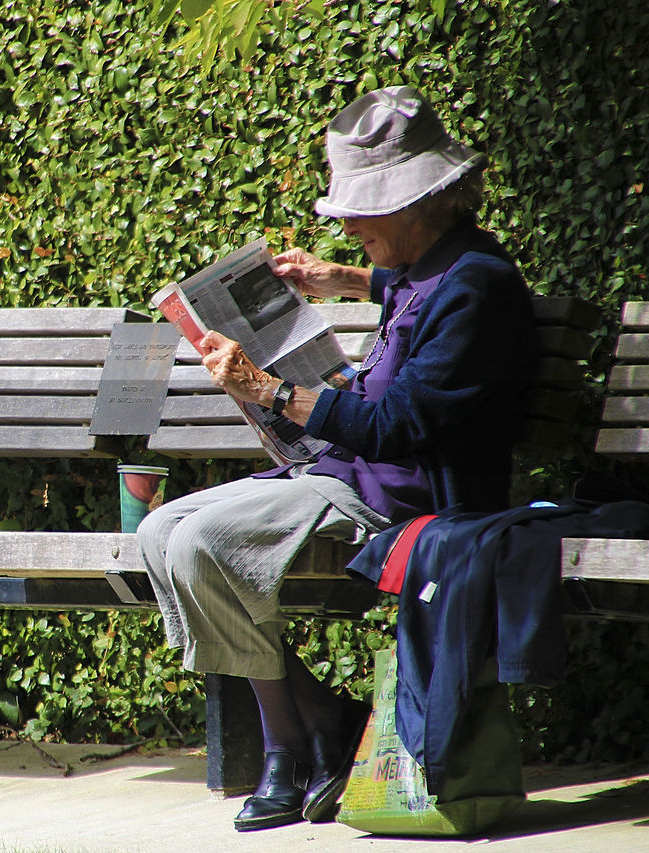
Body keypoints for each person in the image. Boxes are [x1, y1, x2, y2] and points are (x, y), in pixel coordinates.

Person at [136, 86, 539, 832]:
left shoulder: (475, 287)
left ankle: (288, 742)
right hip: (347, 471)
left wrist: (269, 389)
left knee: (199, 542)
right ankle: (322, 721)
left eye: (360, 208)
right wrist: (342, 279)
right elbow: (409, 291)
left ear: (416, 204)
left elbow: (398, 423)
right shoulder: (438, 266)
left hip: (407, 493)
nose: (347, 223)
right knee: (159, 533)